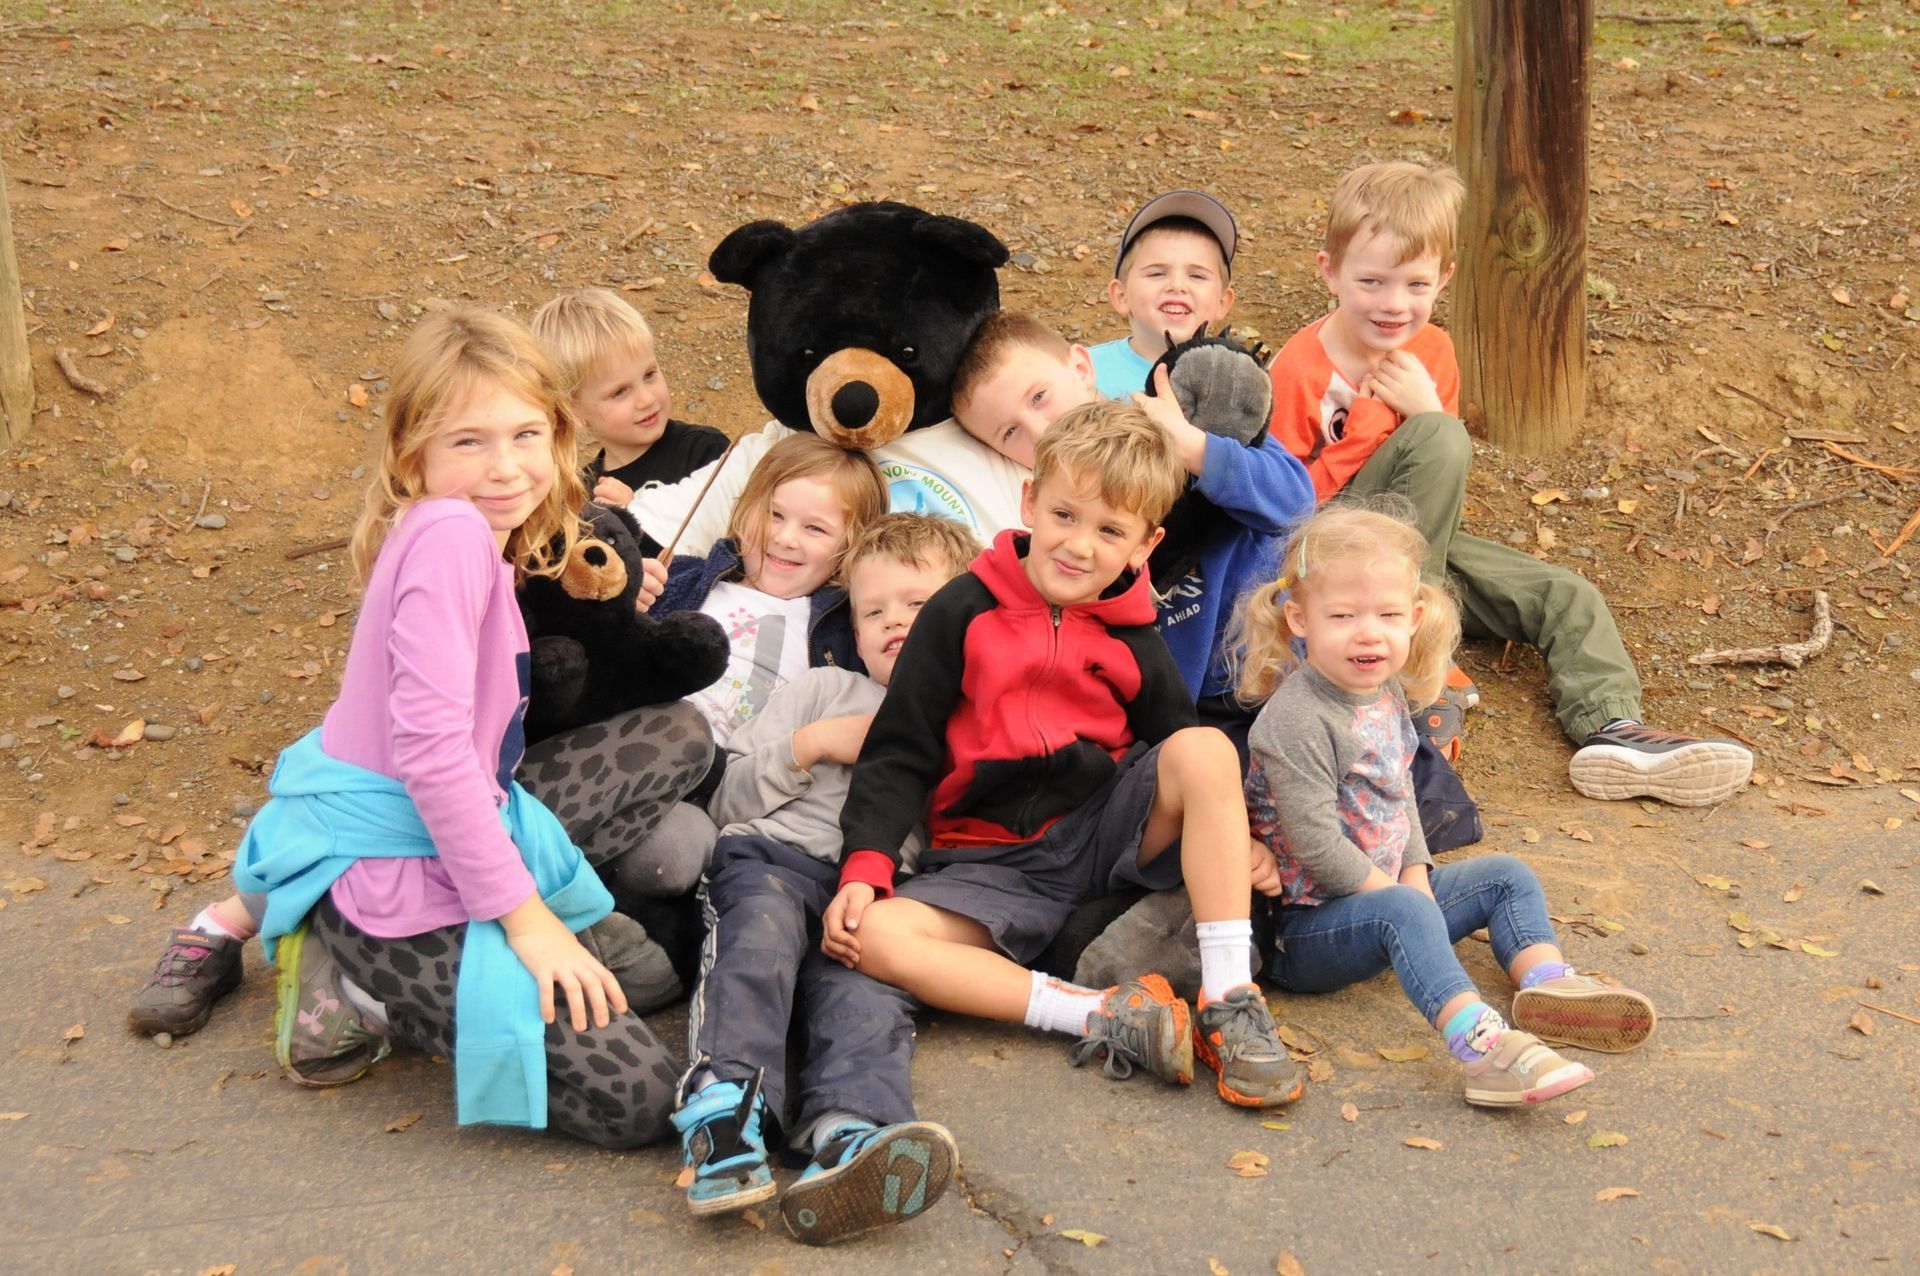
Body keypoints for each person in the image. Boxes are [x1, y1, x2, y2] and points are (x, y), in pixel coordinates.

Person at [221, 305, 682, 1147]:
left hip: (461, 810)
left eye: (526, 434)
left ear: (558, 435)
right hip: (388, 864)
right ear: (414, 455)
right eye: (468, 442)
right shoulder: (450, 540)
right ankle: (353, 974)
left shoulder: (478, 532)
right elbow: (432, 759)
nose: (505, 467)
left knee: (677, 737)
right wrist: (529, 921)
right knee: (640, 1098)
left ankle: (493, 906)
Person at [824, 401, 1303, 1110]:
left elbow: (1177, 750)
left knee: (1204, 746)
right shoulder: (961, 611)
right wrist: (866, 863)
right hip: (988, 865)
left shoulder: (1132, 634)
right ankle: (1102, 1015)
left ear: (1145, 546)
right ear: (1029, 502)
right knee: (876, 936)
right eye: (1065, 516)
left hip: (1098, 833)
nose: (1079, 546)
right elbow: (901, 750)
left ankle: (1231, 999)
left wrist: (1247, 836)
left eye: (1110, 531)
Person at [1267, 159, 1752, 806]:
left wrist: (1429, 411)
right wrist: (1410, 419)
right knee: (1441, 435)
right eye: (1372, 281)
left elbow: (1435, 490)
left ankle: (1611, 728)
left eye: (1415, 284)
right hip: (1330, 549)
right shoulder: (1300, 367)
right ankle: (1417, 659)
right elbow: (1281, 505)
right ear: (1329, 271)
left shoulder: (1431, 351)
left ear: (1445, 278)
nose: (1393, 304)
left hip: (1416, 552)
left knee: (1565, 595)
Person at [1236, 503, 1657, 1107]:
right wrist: (1404, 899)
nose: (1368, 632)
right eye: (1343, 615)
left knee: (1507, 875)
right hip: (1305, 933)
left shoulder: (1379, 691)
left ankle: (1547, 983)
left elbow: (1400, 791)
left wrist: (1417, 875)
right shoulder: (1298, 719)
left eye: (1386, 615)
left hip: (1385, 898)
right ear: (1299, 619)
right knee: (1406, 913)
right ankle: (1487, 1052)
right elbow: (1316, 846)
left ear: (1414, 617)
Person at [674, 513, 979, 1245]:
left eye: (918, 605)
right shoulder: (820, 688)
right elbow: (727, 800)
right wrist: (811, 747)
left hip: (876, 897)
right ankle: (725, 1114)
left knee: (864, 995)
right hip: (772, 861)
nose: (893, 622)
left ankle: (850, 1132)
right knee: (758, 946)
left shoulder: (967, 725)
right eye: (874, 610)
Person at [949, 310, 1313, 733]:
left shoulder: (1184, 413)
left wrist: (1193, 448)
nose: (1040, 428)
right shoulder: (1059, 524)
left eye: (1039, 397)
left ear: (1082, 367)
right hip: (1199, 709)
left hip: (1293, 657)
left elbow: (1297, 505)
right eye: (1010, 433)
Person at [653, 432, 888, 749]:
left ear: (851, 548)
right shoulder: (683, 577)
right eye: (773, 514)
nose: (786, 538)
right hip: (639, 731)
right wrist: (630, 602)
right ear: (744, 508)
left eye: (814, 528)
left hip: (732, 779)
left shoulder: (845, 634)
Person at [530, 286, 728, 509]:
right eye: (620, 392)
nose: (646, 399)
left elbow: (728, 534)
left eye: (649, 375)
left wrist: (639, 515)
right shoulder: (582, 493)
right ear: (573, 412)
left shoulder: (704, 451)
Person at [1086, 189, 1238, 397]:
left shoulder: (1237, 381)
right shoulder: (1084, 374)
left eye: (1197, 276)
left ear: (1223, 303)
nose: (1177, 285)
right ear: (1121, 296)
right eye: (1157, 273)